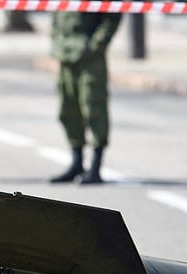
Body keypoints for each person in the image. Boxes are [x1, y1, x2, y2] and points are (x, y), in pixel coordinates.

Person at [49, 12, 122, 184]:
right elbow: (56, 14)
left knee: (94, 109)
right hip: (65, 55)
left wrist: (97, 44)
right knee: (68, 110)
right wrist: (57, 40)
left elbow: (113, 14)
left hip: (90, 59)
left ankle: (95, 167)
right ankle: (77, 163)